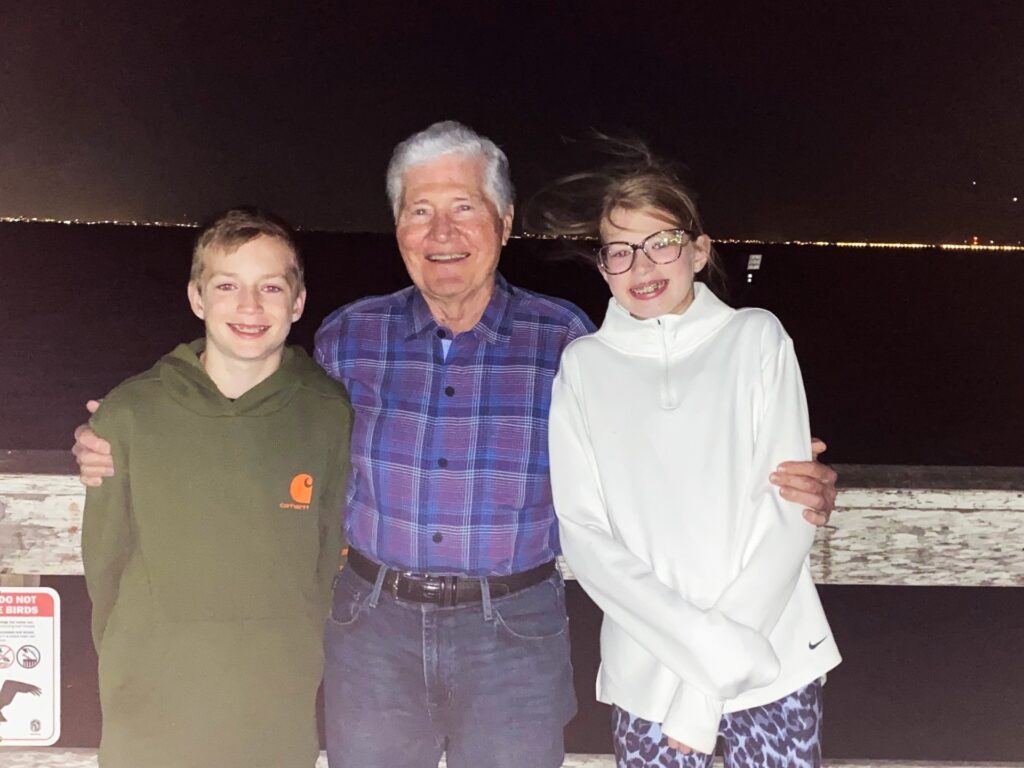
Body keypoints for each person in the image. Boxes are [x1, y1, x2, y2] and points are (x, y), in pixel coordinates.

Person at [74, 121, 838, 768]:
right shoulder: (346, 338)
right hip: (369, 629)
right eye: (419, 211)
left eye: (465, 208)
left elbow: (661, 430)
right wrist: (134, 425)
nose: (442, 233)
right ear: (397, 228)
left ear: (504, 223)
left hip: (513, 631)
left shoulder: (568, 342)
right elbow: (252, 396)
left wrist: (784, 466)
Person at [542, 149, 840, 766]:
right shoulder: (585, 367)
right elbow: (585, 533)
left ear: (699, 251)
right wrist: (703, 662)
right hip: (646, 675)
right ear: (602, 267)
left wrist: (703, 693)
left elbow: (790, 515)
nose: (640, 265)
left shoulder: (756, 338)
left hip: (773, 659)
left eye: (662, 242)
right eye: (619, 250)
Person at [81, 208, 352, 768]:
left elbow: (328, 559)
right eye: (227, 286)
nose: (249, 307)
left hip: (274, 711)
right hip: (149, 712)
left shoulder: (329, 414)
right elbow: (104, 563)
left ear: (297, 303)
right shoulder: (130, 413)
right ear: (197, 299)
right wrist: (136, 659)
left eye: (270, 287)